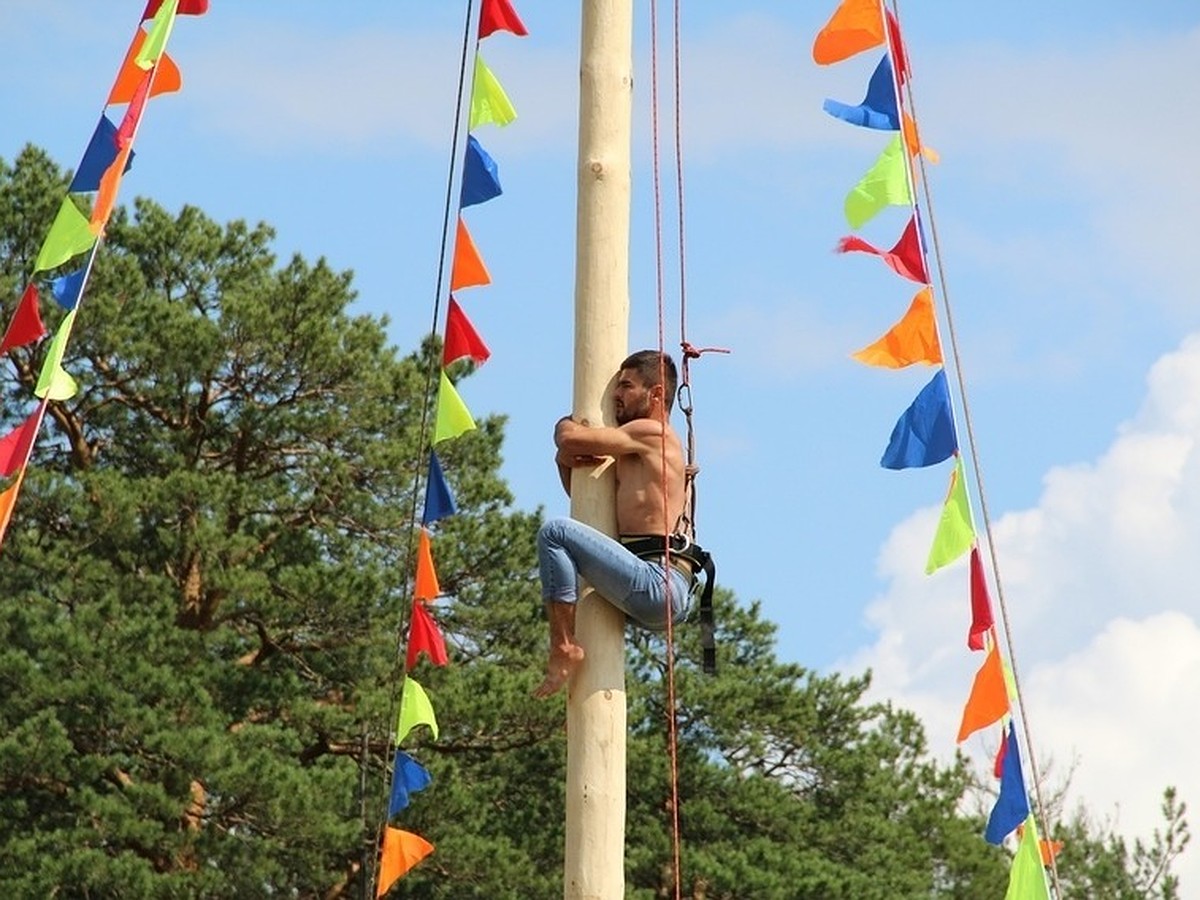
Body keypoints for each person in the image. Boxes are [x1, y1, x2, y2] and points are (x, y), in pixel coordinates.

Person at [534, 350, 695, 698]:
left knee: (555, 533)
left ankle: (563, 645)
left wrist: (562, 426)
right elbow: (586, 502)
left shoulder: (654, 432)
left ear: (655, 395)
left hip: (659, 581)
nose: (616, 396)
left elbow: (569, 439)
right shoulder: (633, 451)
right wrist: (564, 459)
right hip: (653, 586)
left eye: (626, 386)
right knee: (579, 574)